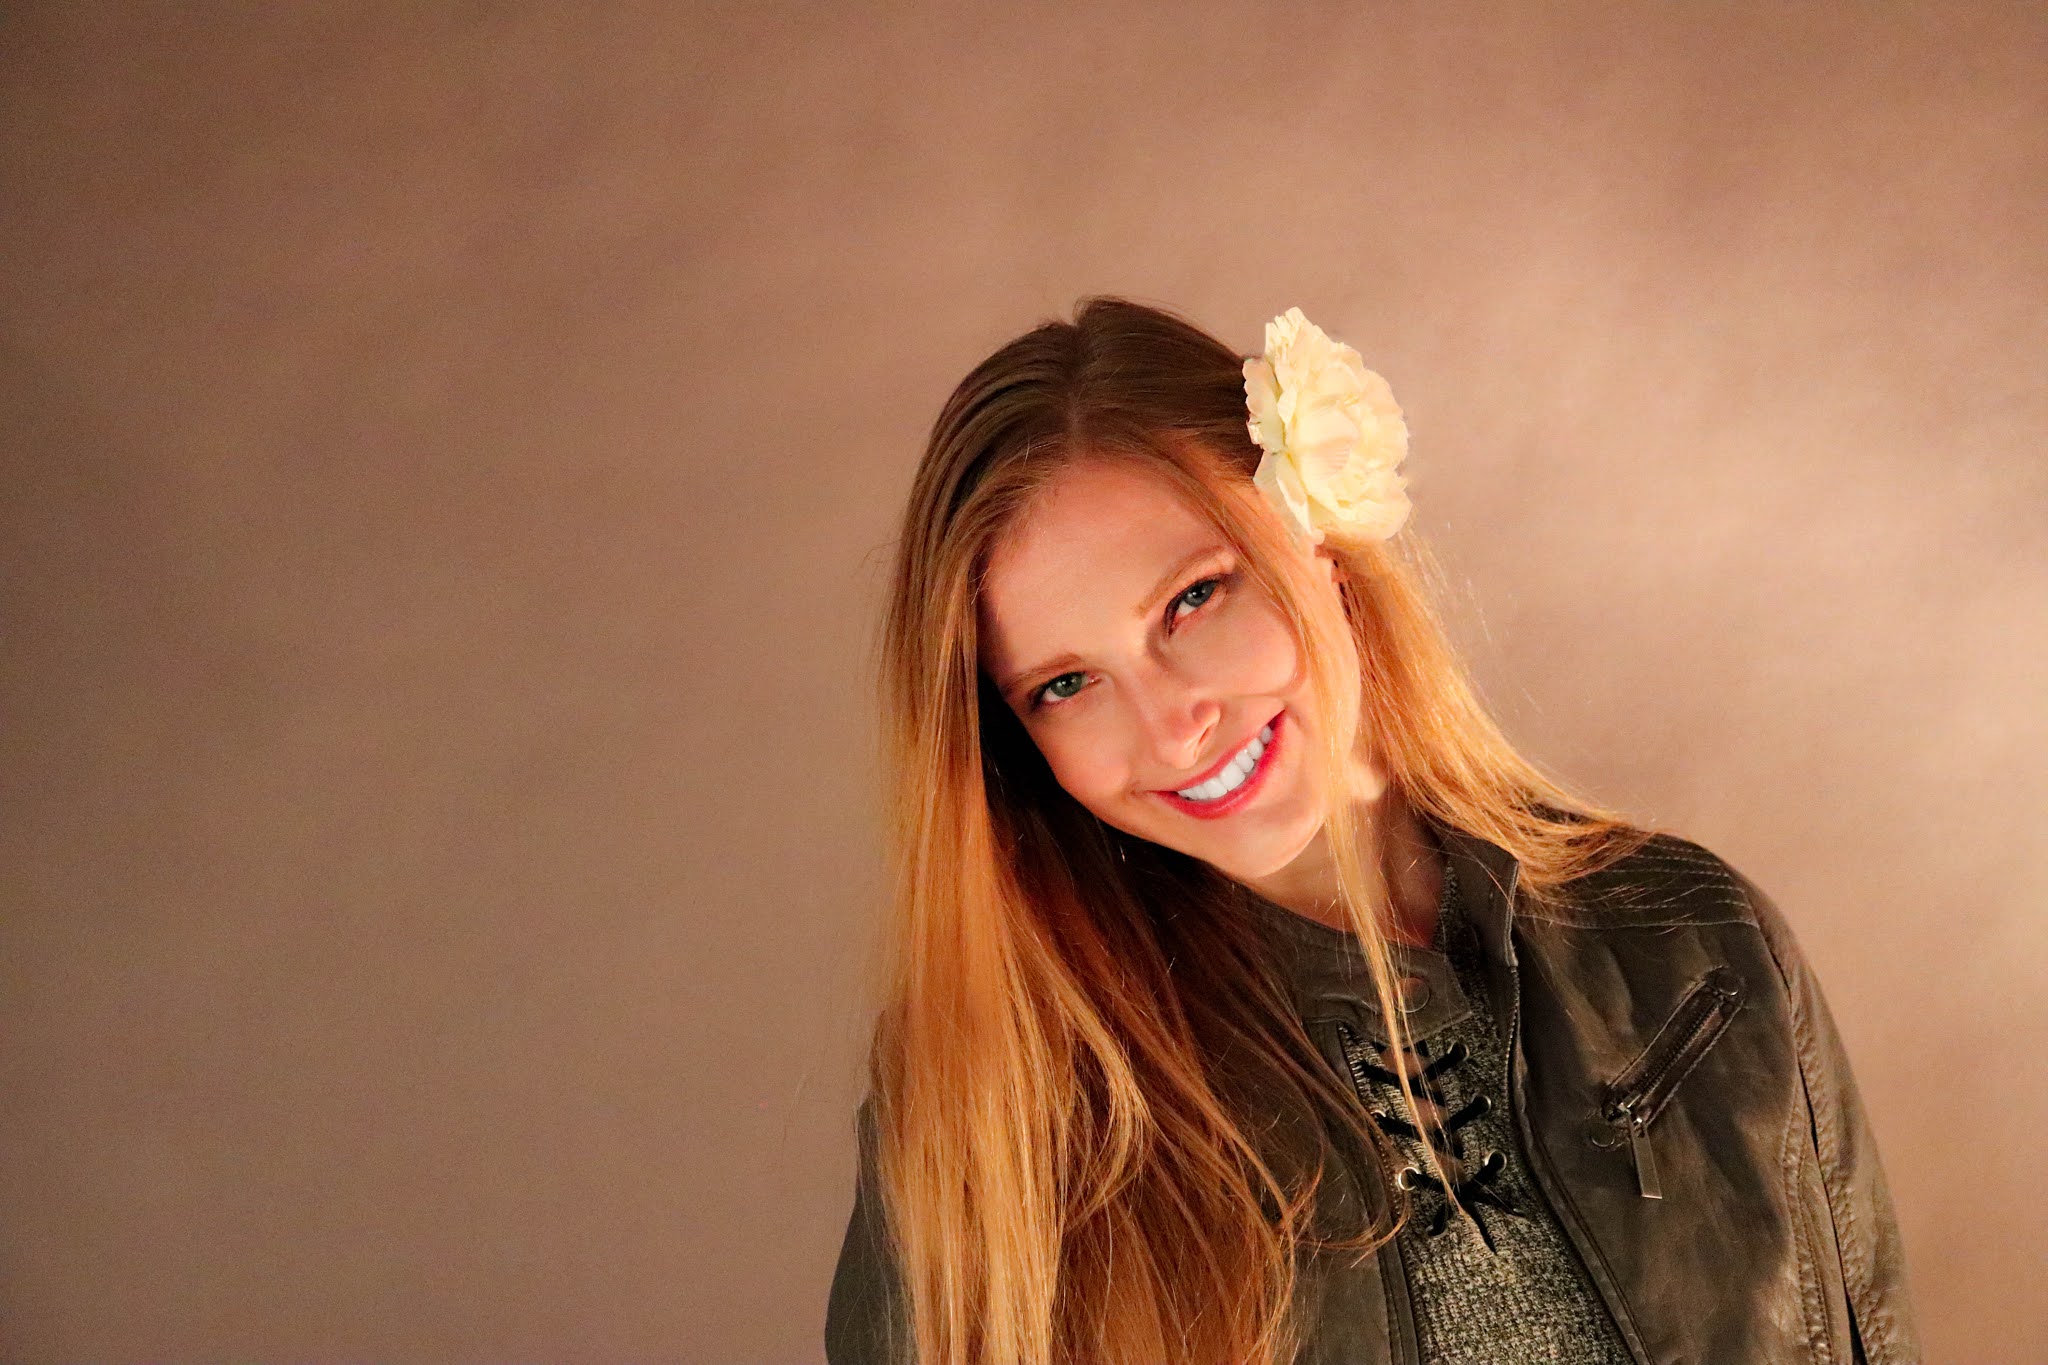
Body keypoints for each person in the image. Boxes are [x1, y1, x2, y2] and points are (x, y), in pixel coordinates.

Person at [824, 298, 1917, 1365]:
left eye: (1192, 600)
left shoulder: (1694, 934)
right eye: (1065, 684)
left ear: (1323, 547)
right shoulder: (995, 1096)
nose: (1169, 728)